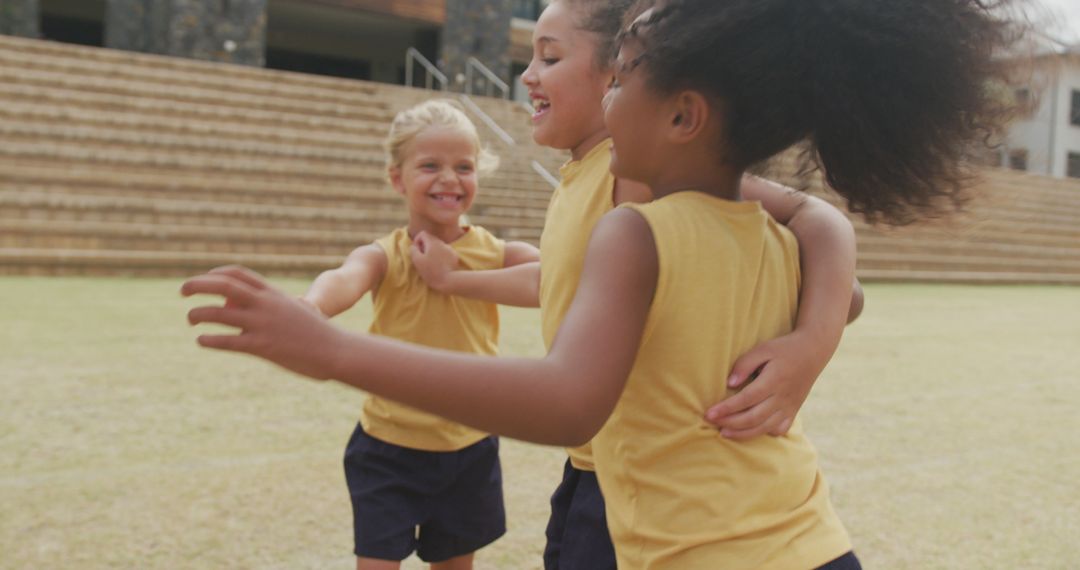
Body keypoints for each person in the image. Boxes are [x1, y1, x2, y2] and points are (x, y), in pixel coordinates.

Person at [183, 0, 1014, 566]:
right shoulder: (679, 196)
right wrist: (814, 328)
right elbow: (804, 247)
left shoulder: (637, 194)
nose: (529, 76)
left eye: (600, 69)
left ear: (681, 113)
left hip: (668, 533)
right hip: (797, 533)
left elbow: (570, 394)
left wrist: (332, 350)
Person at [409, 1, 863, 568]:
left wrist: (812, 343)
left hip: (636, 486)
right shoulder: (586, 178)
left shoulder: (640, 179)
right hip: (601, 473)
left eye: (549, 57)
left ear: (610, 76)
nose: (528, 74)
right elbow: (563, 285)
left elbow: (821, 223)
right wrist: (459, 279)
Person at [295, 99, 539, 570]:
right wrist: (309, 308)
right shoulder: (385, 254)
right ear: (397, 178)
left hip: (469, 449)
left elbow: (559, 277)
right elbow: (343, 278)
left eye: (463, 167)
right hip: (387, 449)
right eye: (430, 165)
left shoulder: (495, 251)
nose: (449, 178)